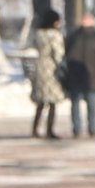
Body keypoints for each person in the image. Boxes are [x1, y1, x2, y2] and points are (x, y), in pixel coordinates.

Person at [63, 14, 95, 138]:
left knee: (88, 104)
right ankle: (81, 128)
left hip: (87, 76)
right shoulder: (76, 36)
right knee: (80, 104)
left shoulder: (77, 36)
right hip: (85, 75)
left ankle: (89, 128)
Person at [28, 9, 66, 140]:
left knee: (40, 102)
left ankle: (35, 129)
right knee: (52, 102)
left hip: (40, 67)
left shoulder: (38, 34)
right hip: (51, 70)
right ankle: (50, 130)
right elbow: (58, 54)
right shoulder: (55, 35)